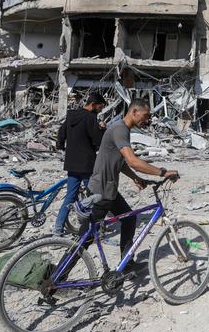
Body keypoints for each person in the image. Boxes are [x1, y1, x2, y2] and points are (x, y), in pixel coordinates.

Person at [81, 98, 178, 272]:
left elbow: (122, 161)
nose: (147, 120)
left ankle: (126, 263)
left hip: (108, 190)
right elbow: (133, 160)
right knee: (84, 240)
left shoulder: (121, 129)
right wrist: (162, 172)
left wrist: (134, 178)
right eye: (145, 115)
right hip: (101, 192)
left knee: (130, 218)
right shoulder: (120, 129)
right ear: (134, 112)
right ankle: (55, 281)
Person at [54, 93, 107, 236]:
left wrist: (62, 145)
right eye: (100, 107)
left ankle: (57, 231)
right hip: (87, 165)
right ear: (95, 104)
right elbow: (98, 141)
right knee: (96, 196)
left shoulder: (72, 115)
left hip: (71, 163)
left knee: (70, 197)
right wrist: (102, 129)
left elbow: (61, 133)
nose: (101, 110)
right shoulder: (90, 118)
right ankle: (95, 229)